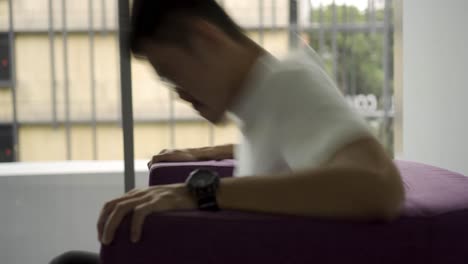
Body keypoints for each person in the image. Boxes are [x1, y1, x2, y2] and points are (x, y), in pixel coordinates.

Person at [50, 0, 404, 263]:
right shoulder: (265, 97)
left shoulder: (290, 84)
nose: (181, 95)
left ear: (206, 39)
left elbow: (380, 186)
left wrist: (198, 193)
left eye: (174, 75)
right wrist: (204, 155)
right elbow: (295, 147)